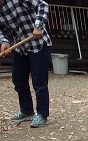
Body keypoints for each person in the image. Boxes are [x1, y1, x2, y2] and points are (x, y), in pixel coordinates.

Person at [0, 0, 52, 128]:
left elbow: (43, 5)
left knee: (39, 82)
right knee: (18, 79)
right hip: (21, 46)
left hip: (38, 43)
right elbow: (1, 30)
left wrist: (38, 25)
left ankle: (42, 114)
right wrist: (4, 42)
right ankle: (27, 110)